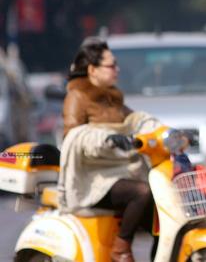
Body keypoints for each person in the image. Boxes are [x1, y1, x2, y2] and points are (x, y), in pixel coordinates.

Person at [60, 37, 156, 262]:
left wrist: (170, 133)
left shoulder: (112, 98)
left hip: (119, 174)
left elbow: (138, 121)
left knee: (163, 201)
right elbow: (73, 137)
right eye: (111, 65)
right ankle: (120, 249)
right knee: (142, 192)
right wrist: (107, 138)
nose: (117, 69)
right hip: (92, 181)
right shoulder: (77, 97)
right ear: (93, 69)